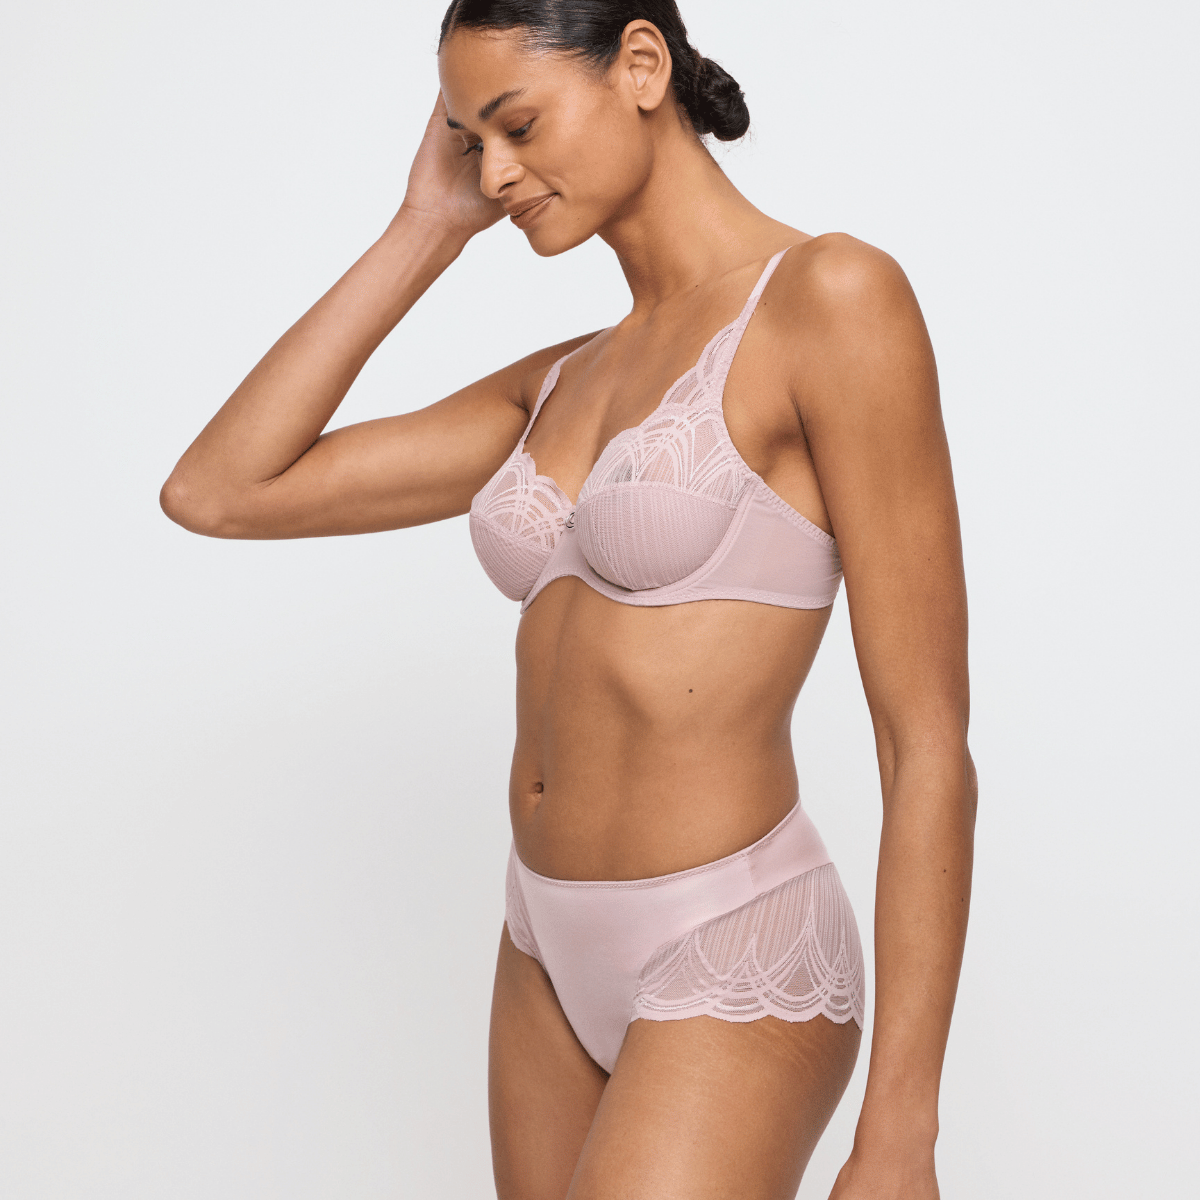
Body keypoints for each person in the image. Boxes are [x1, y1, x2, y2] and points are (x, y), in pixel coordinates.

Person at [161, 1, 976, 1196]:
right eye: (469, 142)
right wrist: (422, 228)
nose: (493, 174)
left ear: (642, 65)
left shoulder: (831, 299)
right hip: (540, 943)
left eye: (518, 124)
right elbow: (221, 491)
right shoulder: (562, 379)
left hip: (729, 940)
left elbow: (927, 743)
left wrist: (901, 1131)